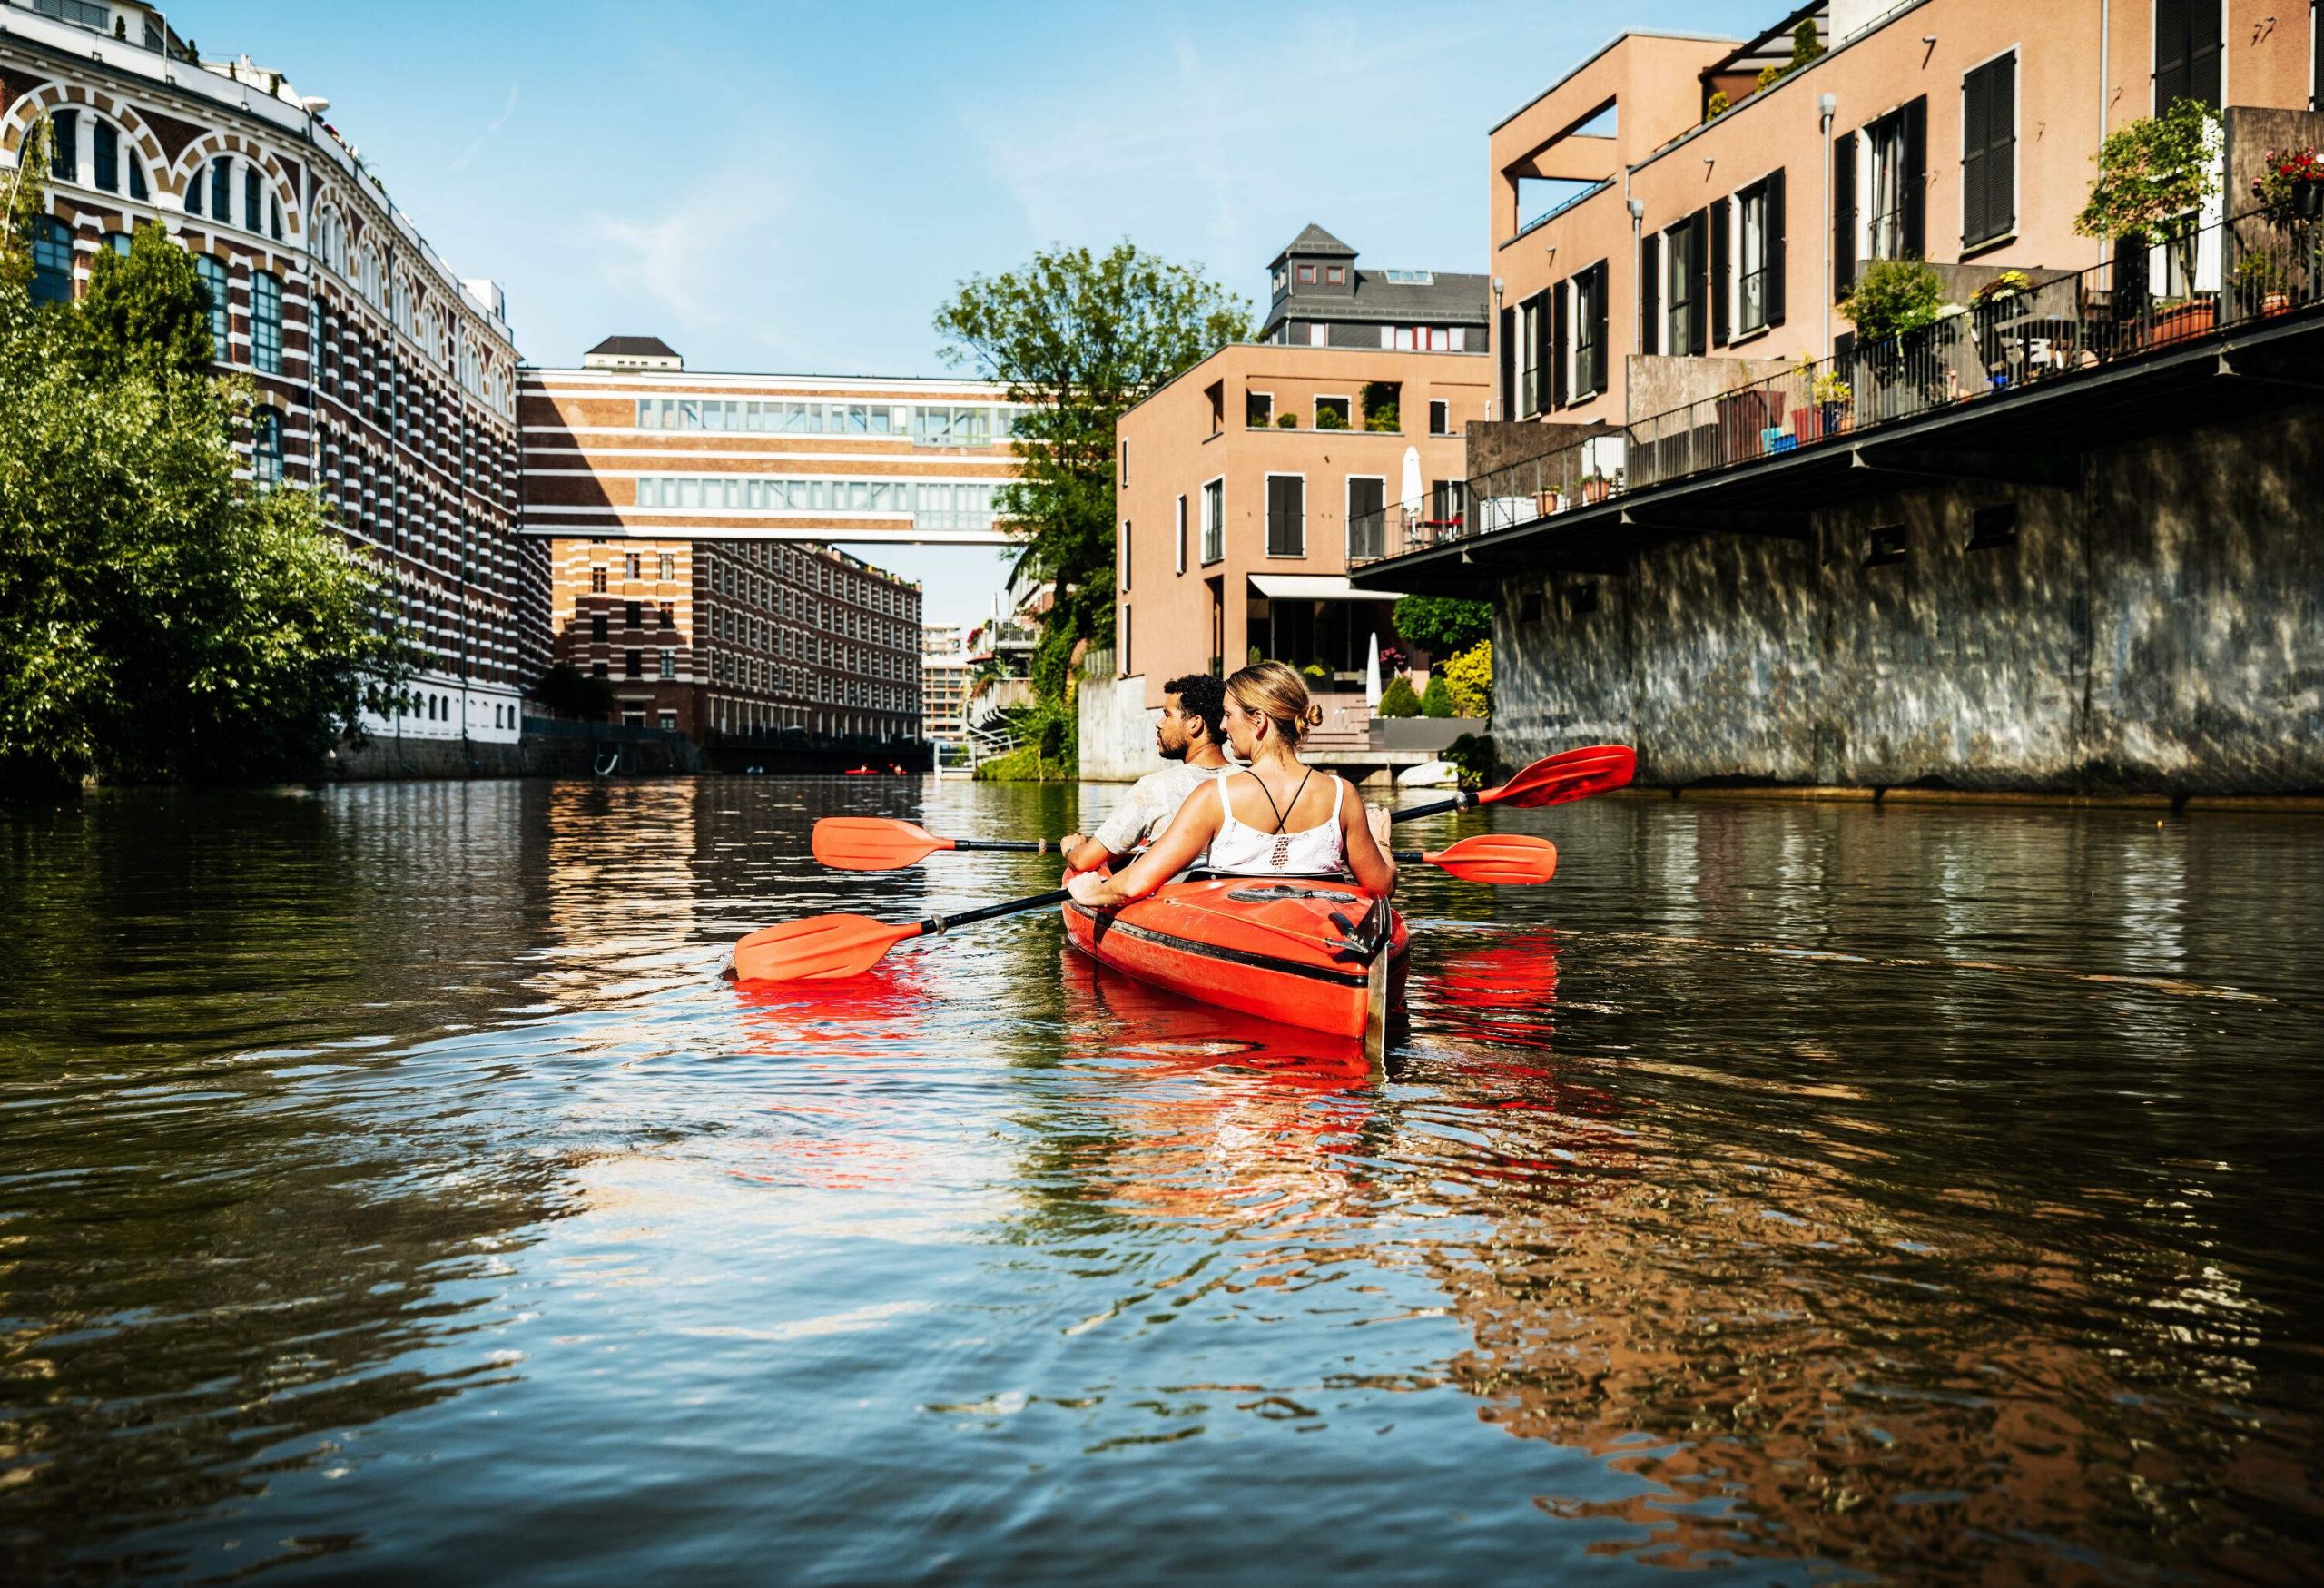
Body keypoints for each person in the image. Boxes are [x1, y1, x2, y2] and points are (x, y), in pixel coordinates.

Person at [1067, 661, 1396, 908]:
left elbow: (1135, 883)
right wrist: (1381, 843)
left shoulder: (1215, 796)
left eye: (1228, 715)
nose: (1223, 726)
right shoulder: (1342, 794)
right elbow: (1382, 885)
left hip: (1239, 929)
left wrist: (1089, 891)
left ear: (1258, 721)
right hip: (1318, 928)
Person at [1057, 672, 1233, 873]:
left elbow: (1085, 861)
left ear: (1195, 723)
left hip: (1172, 894)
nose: (1159, 723)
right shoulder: (1249, 780)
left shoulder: (1154, 788)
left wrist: (1072, 849)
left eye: (1167, 715)